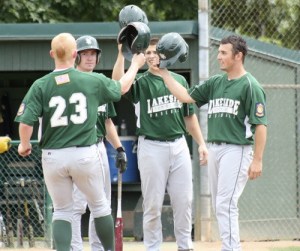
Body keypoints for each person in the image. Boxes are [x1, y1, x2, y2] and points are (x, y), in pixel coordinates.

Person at [14, 32, 145, 251]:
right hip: (84, 154)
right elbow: (121, 87)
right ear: (75, 54)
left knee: (63, 210)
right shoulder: (91, 80)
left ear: (52, 54)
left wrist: (24, 144)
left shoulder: (40, 85)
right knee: (100, 206)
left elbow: (26, 123)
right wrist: (136, 65)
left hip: (53, 157)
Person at [159, 34, 268, 251]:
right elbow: (186, 97)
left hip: (237, 149)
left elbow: (261, 125)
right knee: (221, 204)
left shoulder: (250, 85)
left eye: (223, 53)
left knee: (225, 204)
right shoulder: (216, 83)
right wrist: (163, 72)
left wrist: (257, 160)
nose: (218, 57)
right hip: (215, 148)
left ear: (238, 56)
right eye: (219, 52)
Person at [112, 39, 208, 251]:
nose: (152, 55)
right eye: (148, 52)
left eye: (156, 52)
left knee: (184, 201)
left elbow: (189, 117)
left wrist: (201, 143)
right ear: (143, 56)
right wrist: (122, 55)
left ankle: (185, 246)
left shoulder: (179, 81)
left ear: (164, 55)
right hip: (152, 146)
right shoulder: (140, 82)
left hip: (179, 144)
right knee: (152, 204)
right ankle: (153, 247)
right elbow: (117, 85)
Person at [71, 35, 127, 251]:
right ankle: (74, 247)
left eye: (93, 53)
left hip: (99, 148)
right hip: (76, 148)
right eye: (85, 53)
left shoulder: (101, 82)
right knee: (76, 205)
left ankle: (98, 248)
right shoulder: (71, 80)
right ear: (76, 56)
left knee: (101, 205)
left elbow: (108, 122)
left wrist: (119, 148)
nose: (89, 57)